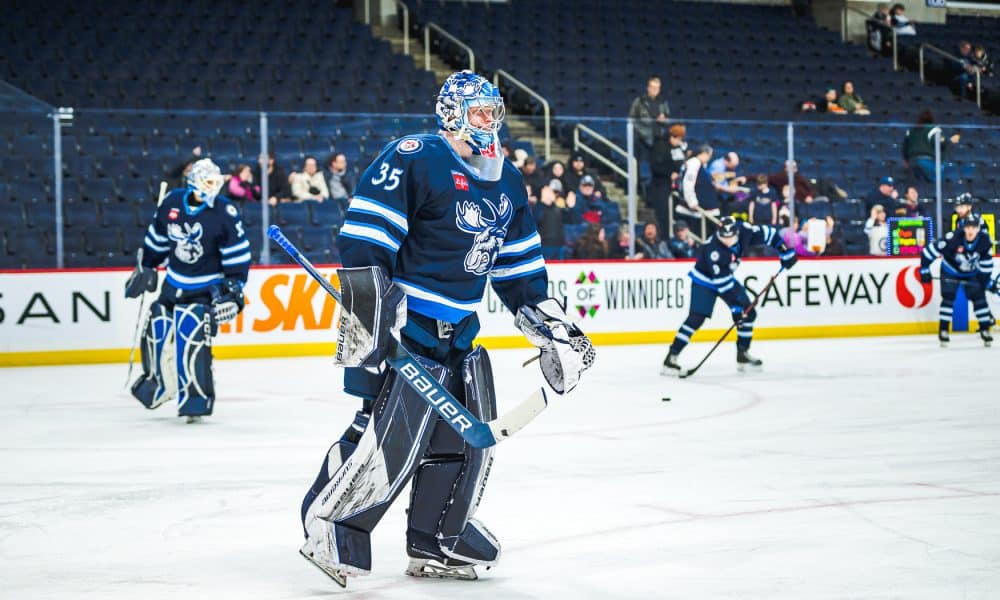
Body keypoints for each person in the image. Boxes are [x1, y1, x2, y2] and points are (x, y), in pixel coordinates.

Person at [298, 71, 594, 587]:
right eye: (479, 111)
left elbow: (519, 269)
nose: (489, 121)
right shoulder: (414, 156)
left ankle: (437, 536)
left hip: (457, 331)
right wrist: (372, 314)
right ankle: (329, 524)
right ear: (453, 113)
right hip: (406, 327)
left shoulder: (506, 178)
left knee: (469, 437)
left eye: (493, 111)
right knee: (385, 433)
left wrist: (553, 328)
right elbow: (365, 240)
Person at [124, 158, 250, 423]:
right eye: (207, 181)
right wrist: (146, 266)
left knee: (191, 331)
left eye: (216, 182)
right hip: (173, 282)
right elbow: (158, 238)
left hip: (205, 287)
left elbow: (237, 255)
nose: (213, 187)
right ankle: (159, 385)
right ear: (193, 182)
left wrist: (235, 288)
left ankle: (195, 398)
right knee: (157, 323)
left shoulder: (225, 212)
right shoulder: (172, 202)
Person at [662, 217, 797, 374]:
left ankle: (743, 355)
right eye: (723, 237)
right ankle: (671, 358)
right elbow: (723, 285)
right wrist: (735, 309)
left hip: (726, 278)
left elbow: (770, 233)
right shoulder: (713, 250)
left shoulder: (745, 231)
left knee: (749, 313)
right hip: (704, 282)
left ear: (737, 232)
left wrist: (784, 251)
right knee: (696, 319)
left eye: (731, 237)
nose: (727, 241)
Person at [920, 215, 994, 346]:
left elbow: (987, 263)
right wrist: (925, 269)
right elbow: (928, 252)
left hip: (971, 272)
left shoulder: (984, 240)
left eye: (974, 227)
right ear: (963, 228)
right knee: (948, 298)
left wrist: (984, 281)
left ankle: (985, 330)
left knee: (980, 299)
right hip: (950, 271)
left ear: (979, 229)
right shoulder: (953, 238)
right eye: (968, 227)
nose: (971, 231)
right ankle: (943, 330)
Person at [902, 110, 960, 183]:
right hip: (927, 162)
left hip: (912, 161)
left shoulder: (911, 130)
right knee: (936, 183)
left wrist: (906, 161)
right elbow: (939, 144)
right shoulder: (933, 129)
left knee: (919, 186)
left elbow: (904, 147)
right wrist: (951, 141)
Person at [628, 76, 671, 162]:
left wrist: (664, 119)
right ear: (648, 88)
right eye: (653, 87)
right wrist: (639, 130)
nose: (656, 90)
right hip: (642, 138)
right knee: (638, 161)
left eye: (657, 88)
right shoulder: (640, 101)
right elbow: (631, 118)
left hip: (658, 137)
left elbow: (668, 118)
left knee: (658, 162)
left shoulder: (663, 101)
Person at [678, 145, 720, 223]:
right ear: (704, 153)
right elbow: (688, 183)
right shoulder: (694, 162)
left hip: (703, 209)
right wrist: (692, 201)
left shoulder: (699, 164)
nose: (709, 159)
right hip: (695, 211)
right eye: (709, 156)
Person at [533, 183, 568, 259]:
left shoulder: (557, 208)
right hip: (544, 246)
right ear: (542, 192)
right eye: (548, 190)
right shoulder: (537, 208)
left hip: (560, 246)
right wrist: (543, 202)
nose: (551, 193)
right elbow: (536, 221)